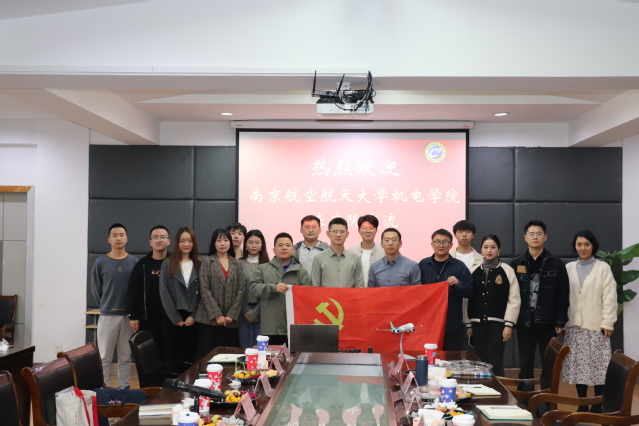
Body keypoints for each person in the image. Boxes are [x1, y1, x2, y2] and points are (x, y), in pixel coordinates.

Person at [561, 230, 617, 413]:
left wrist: (608, 322)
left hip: (596, 327)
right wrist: (562, 320)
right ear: (575, 246)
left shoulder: (603, 268)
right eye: (579, 244)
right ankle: (583, 403)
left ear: (593, 246)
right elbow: (563, 296)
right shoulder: (569, 268)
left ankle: (598, 404)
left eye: (586, 244)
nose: (582, 248)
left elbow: (610, 297)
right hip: (574, 327)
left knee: (598, 367)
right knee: (579, 368)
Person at [510, 220, 570, 379]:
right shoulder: (516, 264)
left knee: (549, 363)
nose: (535, 237)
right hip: (524, 322)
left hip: (548, 321)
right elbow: (511, 295)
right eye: (531, 234)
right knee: (525, 364)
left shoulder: (556, 264)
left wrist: (560, 321)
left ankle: (547, 394)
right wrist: (512, 321)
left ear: (545, 237)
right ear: (525, 238)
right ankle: (525, 393)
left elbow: (563, 294)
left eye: (538, 234)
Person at [464, 234, 520, 376]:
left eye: (493, 247)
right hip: (477, 324)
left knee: (496, 361)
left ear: (499, 250)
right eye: (486, 247)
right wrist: (468, 324)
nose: (489, 250)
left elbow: (514, 299)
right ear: (481, 250)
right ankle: (482, 389)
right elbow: (466, 299)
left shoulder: (507, 270)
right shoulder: (473, 270)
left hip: (498, 324)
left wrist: (509, 324)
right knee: (480, 362)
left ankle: (499, 389)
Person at [91, 223, 138, 388]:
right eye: (115, 235)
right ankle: (104, 388)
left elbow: (137, 290)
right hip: (108, 315)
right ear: (109, 239)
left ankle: (124, 387)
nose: (118, 238)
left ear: (127, 238)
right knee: (104, 356)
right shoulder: (100, 262)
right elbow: (96, 289)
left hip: (129, 317)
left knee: (125, 357)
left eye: (121, 235)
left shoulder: (134, 262)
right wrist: (106, 305)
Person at [250, 232, 311, 345]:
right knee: (270, 356)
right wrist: (273, 288)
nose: (284, 248)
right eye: (280, 245)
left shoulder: (301, 271)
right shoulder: (262, 269)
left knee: (292, 356)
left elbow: (307, 297)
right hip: (270, 327)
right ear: (274, 250)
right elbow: (254, 289)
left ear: (293, 249)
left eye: (287, 245)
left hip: (293, 327)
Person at [418, 228, 473, 350]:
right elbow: (416, 292)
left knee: (451, 358)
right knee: (430, 357)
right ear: (432, 244)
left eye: (445, 242)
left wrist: (458, 284)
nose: (441, 245)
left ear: (451, 245)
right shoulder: (423, 265)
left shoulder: (459, 266)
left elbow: (470, 290)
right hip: (428, 324)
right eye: (437, 242)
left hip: (452, 324)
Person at [195, 228, 245, 358]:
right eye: (219, 240)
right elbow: (204, 289)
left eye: (226, 240)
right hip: (209, 319)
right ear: (214, 243)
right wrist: (217, 315)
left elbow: (241, 290)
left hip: (230, 320)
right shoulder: (207, 262)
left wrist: (232, 314)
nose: (223, 243)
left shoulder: (237, 264)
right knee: (209, 357)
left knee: (230, 357)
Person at [127, 225, 171, 362]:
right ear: (150, 242)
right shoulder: (142, 265)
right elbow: (133, 291)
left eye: (162, 237)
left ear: (168, 241)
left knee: (169, 355)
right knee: (150, 357)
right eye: (155, 237)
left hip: (171, 318)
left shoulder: (175, 262)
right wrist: (134, 316)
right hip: (148, 320)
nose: (159, 240)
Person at [159, 227, 201, 363]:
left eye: (189, 241)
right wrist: (175, 318)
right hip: (172, 317)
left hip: (193, 319)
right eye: (182, 241)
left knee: (191, 358)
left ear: (194, 243)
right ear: (177, 242)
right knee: (173, 358)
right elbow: (164, 292)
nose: (186, 244)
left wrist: (194, 316)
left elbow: (203, 294)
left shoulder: (200, 264)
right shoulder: (168, 263)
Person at [238, 229, 270, 348]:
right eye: (250, 242)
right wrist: (245, 310)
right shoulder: (238, 264)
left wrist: (256, 312)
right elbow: (237, 290)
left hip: (262, 312)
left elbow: (268, 291)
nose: (254, 245)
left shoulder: (268, 265)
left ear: (262, 245)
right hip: (242, 312)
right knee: (244, 348)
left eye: (257, 242)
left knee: (260, 349)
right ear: (245, 244)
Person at [311, 217, 364, 288]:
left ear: (347, 234)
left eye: (342, 231)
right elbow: (315, 287)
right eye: (335, 231)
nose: (338, 235)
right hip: (326, 296)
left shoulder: (355, 259)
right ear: (328, 233)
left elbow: (359, 287)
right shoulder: (319, 258)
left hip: (348, 296)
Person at [347, 215, 385, 287]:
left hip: (377, 292)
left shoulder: (384, 253)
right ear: (359, 231)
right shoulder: (350, 253)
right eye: (364, 228)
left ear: (376, 230)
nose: (368, 231)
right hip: (356, 292)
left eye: (371, 228)